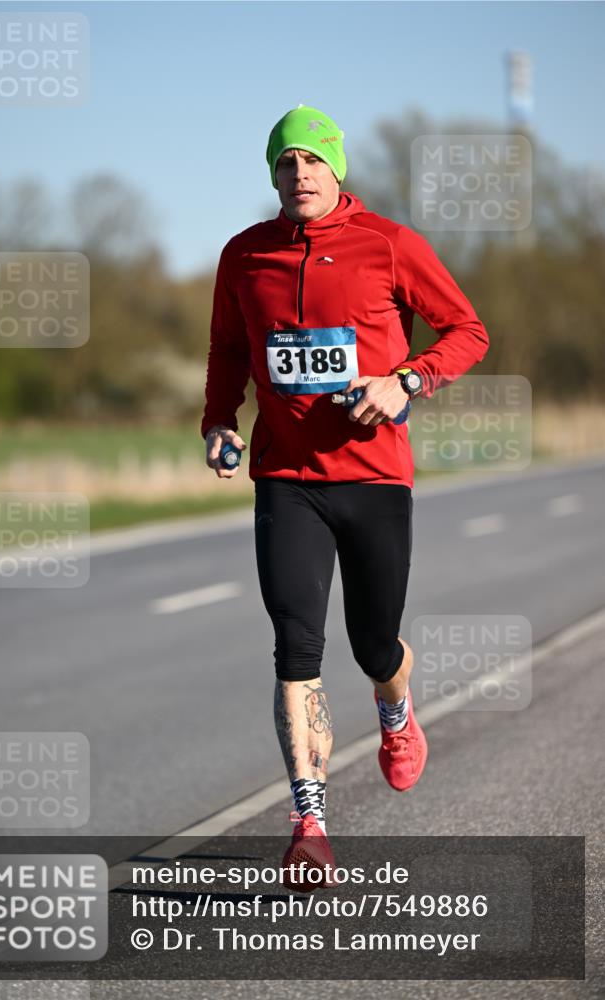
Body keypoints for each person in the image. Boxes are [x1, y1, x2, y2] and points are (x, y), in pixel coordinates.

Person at [200, 105, 489, 891]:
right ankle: (309, 824)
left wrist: (405, 382)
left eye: (312, 162)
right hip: (286, 481)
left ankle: (394, 711)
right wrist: (218, 420)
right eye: (285, 164)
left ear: (337, 169)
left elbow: (466, 331)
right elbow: (229, 349)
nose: (299, 177)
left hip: (372, 477)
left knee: (372, 645)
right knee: (295, 647)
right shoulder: (243, 256)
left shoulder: (389, 244)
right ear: (272, 175)